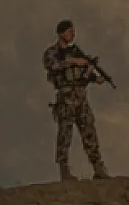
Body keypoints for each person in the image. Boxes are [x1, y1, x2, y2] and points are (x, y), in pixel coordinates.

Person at [43, 19, 110, 181]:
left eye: (73, 31)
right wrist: (73, 61)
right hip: (66, 97)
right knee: (65, 133)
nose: (72, 34)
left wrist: (93, 76)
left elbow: (83, 73)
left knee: (89, 130)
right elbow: (53, 66)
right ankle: (64, 169)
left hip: (80, 95)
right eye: (69, 31)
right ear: (61, 33)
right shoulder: (52, 52)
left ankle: (98, 167)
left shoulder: (76, 52)